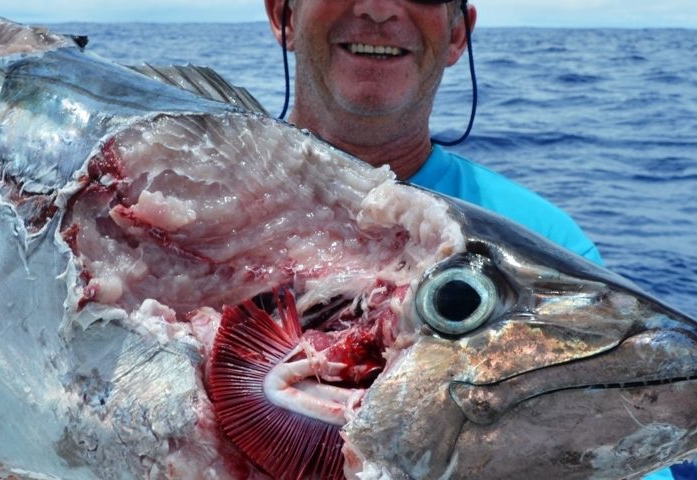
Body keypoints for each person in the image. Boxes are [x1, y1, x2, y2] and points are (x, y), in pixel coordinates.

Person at [263, 1, 674, 479]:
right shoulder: (162, 196)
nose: (377, 9)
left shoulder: (549, 244)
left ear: (458, 35)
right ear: (284, 17)